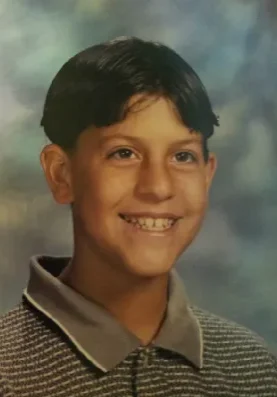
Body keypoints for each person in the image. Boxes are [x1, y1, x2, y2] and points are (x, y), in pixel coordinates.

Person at [0, 37, 276, 397]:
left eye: (182, 157)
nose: (158, 187)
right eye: (124, 153)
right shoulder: (8, 371)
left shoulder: (255, 369)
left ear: (207, 175)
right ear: (61, 173)